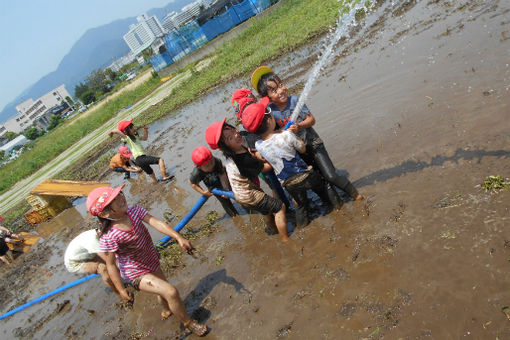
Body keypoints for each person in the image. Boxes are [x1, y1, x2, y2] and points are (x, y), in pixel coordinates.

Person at [87, 186, 207, 336]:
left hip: (150, 258)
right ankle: (188, 323)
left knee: (163, 290)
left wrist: (178, 237)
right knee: (170, 291)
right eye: (114, 200)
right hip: (135, 273)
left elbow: (156, 223)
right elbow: (110, 265)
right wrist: (121, 290)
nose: (120, 199)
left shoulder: (134, 211)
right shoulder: (110, 236)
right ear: (104, 213)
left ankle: (165, 310)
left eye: (119, 195)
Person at [251, 66, 364, 203]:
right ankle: (337, 203)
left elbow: (312, 120)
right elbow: (271, 132)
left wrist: (298, 126)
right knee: (320, 179)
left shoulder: (295, 101)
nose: (281, 90)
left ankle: (355, 195)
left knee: (330, 175)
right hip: (299, 151)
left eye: (281, 85)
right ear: (267, 97)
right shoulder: (271, 111)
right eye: (274, 90)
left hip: (313, 143)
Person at [242, 100, 333, 227]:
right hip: (304, 175)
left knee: (301, 206)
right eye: (269, 113)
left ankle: (303, 226)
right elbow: (302, 148)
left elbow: (263, 155)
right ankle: (335, 209)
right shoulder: (286, 135)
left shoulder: (258, 145)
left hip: (288, 184)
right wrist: (293, 136)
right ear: (269, 120)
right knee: (322, 190)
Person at [205, 119, 289, 242]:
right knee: (279, 207)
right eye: (229, 138)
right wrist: (275, 157)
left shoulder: (235, 152)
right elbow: (265, 169)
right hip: (249, 194)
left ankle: (274, 231)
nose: (235, 135)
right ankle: (285, 239)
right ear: (224, 148)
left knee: (266, 211)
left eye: (233, 130)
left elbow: (250, 153)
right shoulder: (242, 159)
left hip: (241, 194)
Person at [108, 120, 173, 184]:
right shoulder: (128, 138)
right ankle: (164, 176)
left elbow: (145, 138)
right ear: (126, 131)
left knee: (151, 173)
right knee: (160, 160)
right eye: (131, 128)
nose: (133, 129)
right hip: (140, 158)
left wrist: (146, 130)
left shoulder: (136, 137)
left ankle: (156, 184)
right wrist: (111, 132)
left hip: (139, 160)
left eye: (133, 127)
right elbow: (116, 131)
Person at [64, 229, 119, 295]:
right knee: (103, 268)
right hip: (74, 263)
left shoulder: (97, 233)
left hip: (84, 254)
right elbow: (111, 261)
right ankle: (118, 292)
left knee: (110, 262)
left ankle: (117, 281)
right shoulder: (93, 241)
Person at [189, 146, 238, 217]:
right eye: (207, 166)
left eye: (212, 162)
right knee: (225, 202)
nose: (211, 166)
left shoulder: (216, 161)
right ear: (199, 167)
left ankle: (247, 206)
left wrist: (225, 188)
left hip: (225, 180)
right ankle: (234, 215)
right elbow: (192, 184)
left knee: (235, 193)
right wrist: (203, 192)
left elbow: (222, 174)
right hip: (214, 188)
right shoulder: (197, 173)